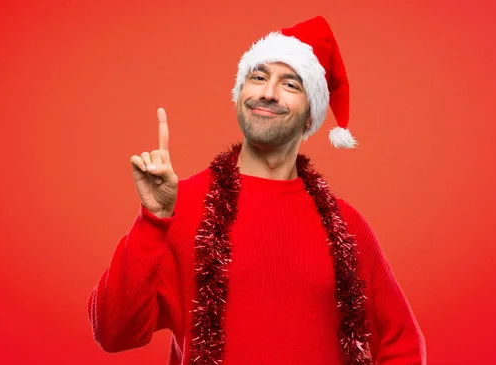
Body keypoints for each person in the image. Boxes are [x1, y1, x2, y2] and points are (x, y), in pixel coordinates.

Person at [88, 16, 426, 365]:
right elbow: (114, 333)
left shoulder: (346, 226)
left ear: (311, 116)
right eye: (258, 77)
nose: (268, 92)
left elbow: (403, 343)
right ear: (240, 95)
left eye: (290, 84)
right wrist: (153, 220)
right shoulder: (180, 205)